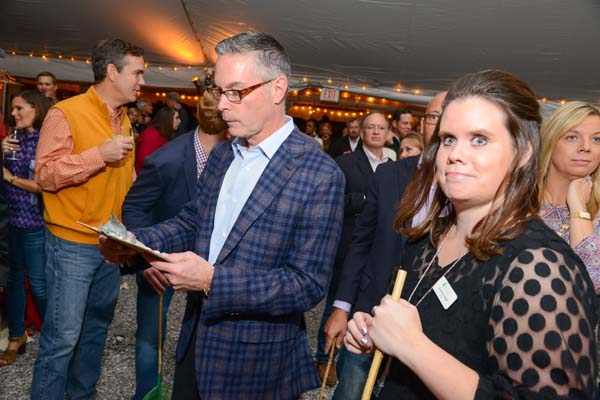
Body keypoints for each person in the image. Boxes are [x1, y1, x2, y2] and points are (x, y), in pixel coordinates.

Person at [100, 31, 344, 400]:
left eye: (236, 92)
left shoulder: (320, 174)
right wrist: (133, 244)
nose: (222, 106)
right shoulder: (223, 154)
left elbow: (305, 284)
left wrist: (213, 280)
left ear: (277, 89)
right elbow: (192, 222)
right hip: (196, 345)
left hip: (257, 365)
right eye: (219, 91)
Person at [345, 70, 598, 399]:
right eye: (448, 139)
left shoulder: (541, 267)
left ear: (523, 152)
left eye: (479, 139)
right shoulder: (428, 239)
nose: (454, 154)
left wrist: (412, 346)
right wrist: (380, 336)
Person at [31, 38, 143, 399]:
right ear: (112, 72)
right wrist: (99, 155)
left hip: (111, 244)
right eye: (137, 73)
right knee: (62, 339)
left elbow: (125, 179)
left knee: (95, 331)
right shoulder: (65, 113)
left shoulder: (124, 119)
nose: (142, 81)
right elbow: (44, 175)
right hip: (71, 245)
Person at [327, 91, 446, 400]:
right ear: (422, 124)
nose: (440, 124)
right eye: (433, 116)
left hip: (426, 326)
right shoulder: (389, 174)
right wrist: (341, 307)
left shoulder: (465, 186)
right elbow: (361, 243)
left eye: (448, 116)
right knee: (351, 390)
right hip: (370, 311)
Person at [122, 90, 228, 400]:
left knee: (203, 336)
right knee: (151, 336)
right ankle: (147, 395)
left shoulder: (236, 159)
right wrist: (144, 260)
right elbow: (133, 207)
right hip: (162, 260)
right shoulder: (166, 159)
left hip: (210, 268)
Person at [315, 112, 389, 385]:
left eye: (381, 128)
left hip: (378, 248)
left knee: (364, 307)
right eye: (371, 127)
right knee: (337, 304)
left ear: (388, 134)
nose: (376, 132)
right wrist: (364, 199)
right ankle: (324, 359)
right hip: (348, 246)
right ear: (361, 131)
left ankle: (351, 358)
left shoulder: (392, 166)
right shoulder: (345, 162)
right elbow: (331, 203)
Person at [0, 90, 52, 367]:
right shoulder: (13, 139)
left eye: (19, 108)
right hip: (11, 222)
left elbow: (44, 186)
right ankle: (16, 336)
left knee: (39, 286)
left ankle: (55, 338)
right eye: (13, 109)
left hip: (35, 223)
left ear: (36, 109)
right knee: (13, 283)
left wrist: (10, 178)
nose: (13, 113)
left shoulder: (46, 141)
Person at [538, 101, 600, 293]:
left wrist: (578, 208)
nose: (586, 147)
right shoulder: (514, 202)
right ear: (550, 141)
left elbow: (592, 281)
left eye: (597, 139)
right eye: (572, 137)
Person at [134, 106, 180, 174]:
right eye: (177, 118)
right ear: (168, 119)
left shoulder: (163, 133)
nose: (179, 121)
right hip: (145, 176)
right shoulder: (151, 135)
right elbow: (145, 160)